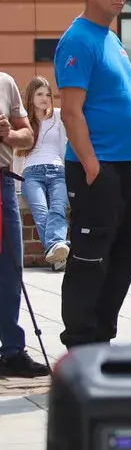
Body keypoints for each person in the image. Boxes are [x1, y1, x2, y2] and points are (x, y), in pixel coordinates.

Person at [54, 0, 131, 348]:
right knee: (90, 259)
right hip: (99, 168)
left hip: (130, 166)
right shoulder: (78, 40)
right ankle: (80, 344)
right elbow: (71, 111)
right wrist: (92, 166)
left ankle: (102, 340)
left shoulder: (112, 39)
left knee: (123, 259)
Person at [0, 64, 39, 377]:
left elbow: (28, 136)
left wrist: (9, 134)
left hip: (2, 184)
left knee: (10, 268)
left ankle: (12, 351)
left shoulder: (5, 82)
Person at [19, 77, 70, 270]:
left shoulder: (58, 115)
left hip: (57, 170)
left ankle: (56, 254)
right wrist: (16, 182)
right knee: (41, 211)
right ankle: (58, 248)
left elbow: (63, 147)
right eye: (39, 94)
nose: (45, 98)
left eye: (48, 94)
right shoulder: (23, 121)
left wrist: (68, 173)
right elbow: (18, 154)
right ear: (30, 96)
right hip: (31, 173)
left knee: (58, 208)